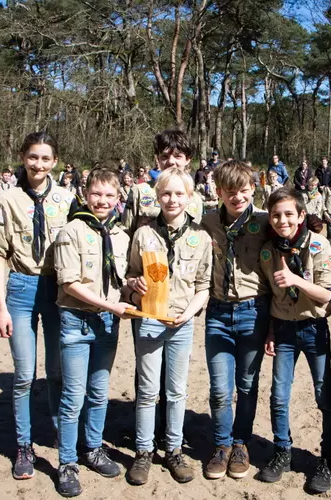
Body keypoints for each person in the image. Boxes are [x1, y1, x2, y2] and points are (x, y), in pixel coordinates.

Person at [0, 131, 76, 480]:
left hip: (57, 290)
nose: (38, 164)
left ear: (54, 161)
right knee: (24, 374)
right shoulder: (5, 200)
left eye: (45, 158)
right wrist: (1, 307)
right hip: (21, 289)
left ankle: (59, 431)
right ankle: (24, 446)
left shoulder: (68, 198)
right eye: (32, 157)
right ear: (23, 157)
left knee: (57, 372)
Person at [124, 168, 212, 486]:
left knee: (176, 392)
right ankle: (144, 451)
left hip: (181, 322)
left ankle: (173, 449)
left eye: (179, 194)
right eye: (166, 193)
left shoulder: (200, 237)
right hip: (149, 321)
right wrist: (134, 284)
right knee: (148, 392)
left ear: (189, 197)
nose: (172, 199)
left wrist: (188, 313)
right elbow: (131, 275)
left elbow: (203, 285)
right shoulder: (143, 234)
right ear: (157, 196)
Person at [52, 168, 133, 497]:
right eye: (96, 194)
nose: (102, 201)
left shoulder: (122, 235)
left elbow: (120, 279)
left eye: (109, 195)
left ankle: (92, 449)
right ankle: (67, 462)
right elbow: (68, 283)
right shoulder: (71, 231)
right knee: (73, 397)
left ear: (118, 199)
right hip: (76, 321)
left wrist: (133, 290)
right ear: (86, 195)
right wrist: (109, 305)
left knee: (99, 393)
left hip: (107, 325)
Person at [257, 187, 331, 493]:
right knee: (278, 394)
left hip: (314, 328)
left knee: (323, 395)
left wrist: (296, 279)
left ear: (301, 215)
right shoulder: (268, 251)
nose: (282, 220)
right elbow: (268, 295)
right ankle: (282, 451)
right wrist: (272, 331)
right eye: (276, 214)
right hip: (284, 330)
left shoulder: (319, 245)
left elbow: (326, 295)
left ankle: (327, 459)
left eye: (289, 214)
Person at [201, 160, 271, 481]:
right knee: (218, 388)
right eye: (229, 192)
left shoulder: (265, 222)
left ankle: (241, 442)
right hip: (217, 313)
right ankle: (221, 445)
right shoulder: (207, 222)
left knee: (246, 385)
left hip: (253, 313)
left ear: (252, 189)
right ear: (219, 192)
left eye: (243, 190)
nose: (237, 197)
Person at [122, 130, 204, 234]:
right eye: (165, 156)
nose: (170, 161)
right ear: (158, 159)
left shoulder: (195, 199)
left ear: (187, 159)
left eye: (177, 156)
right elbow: (126, 232)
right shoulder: (139, 192)